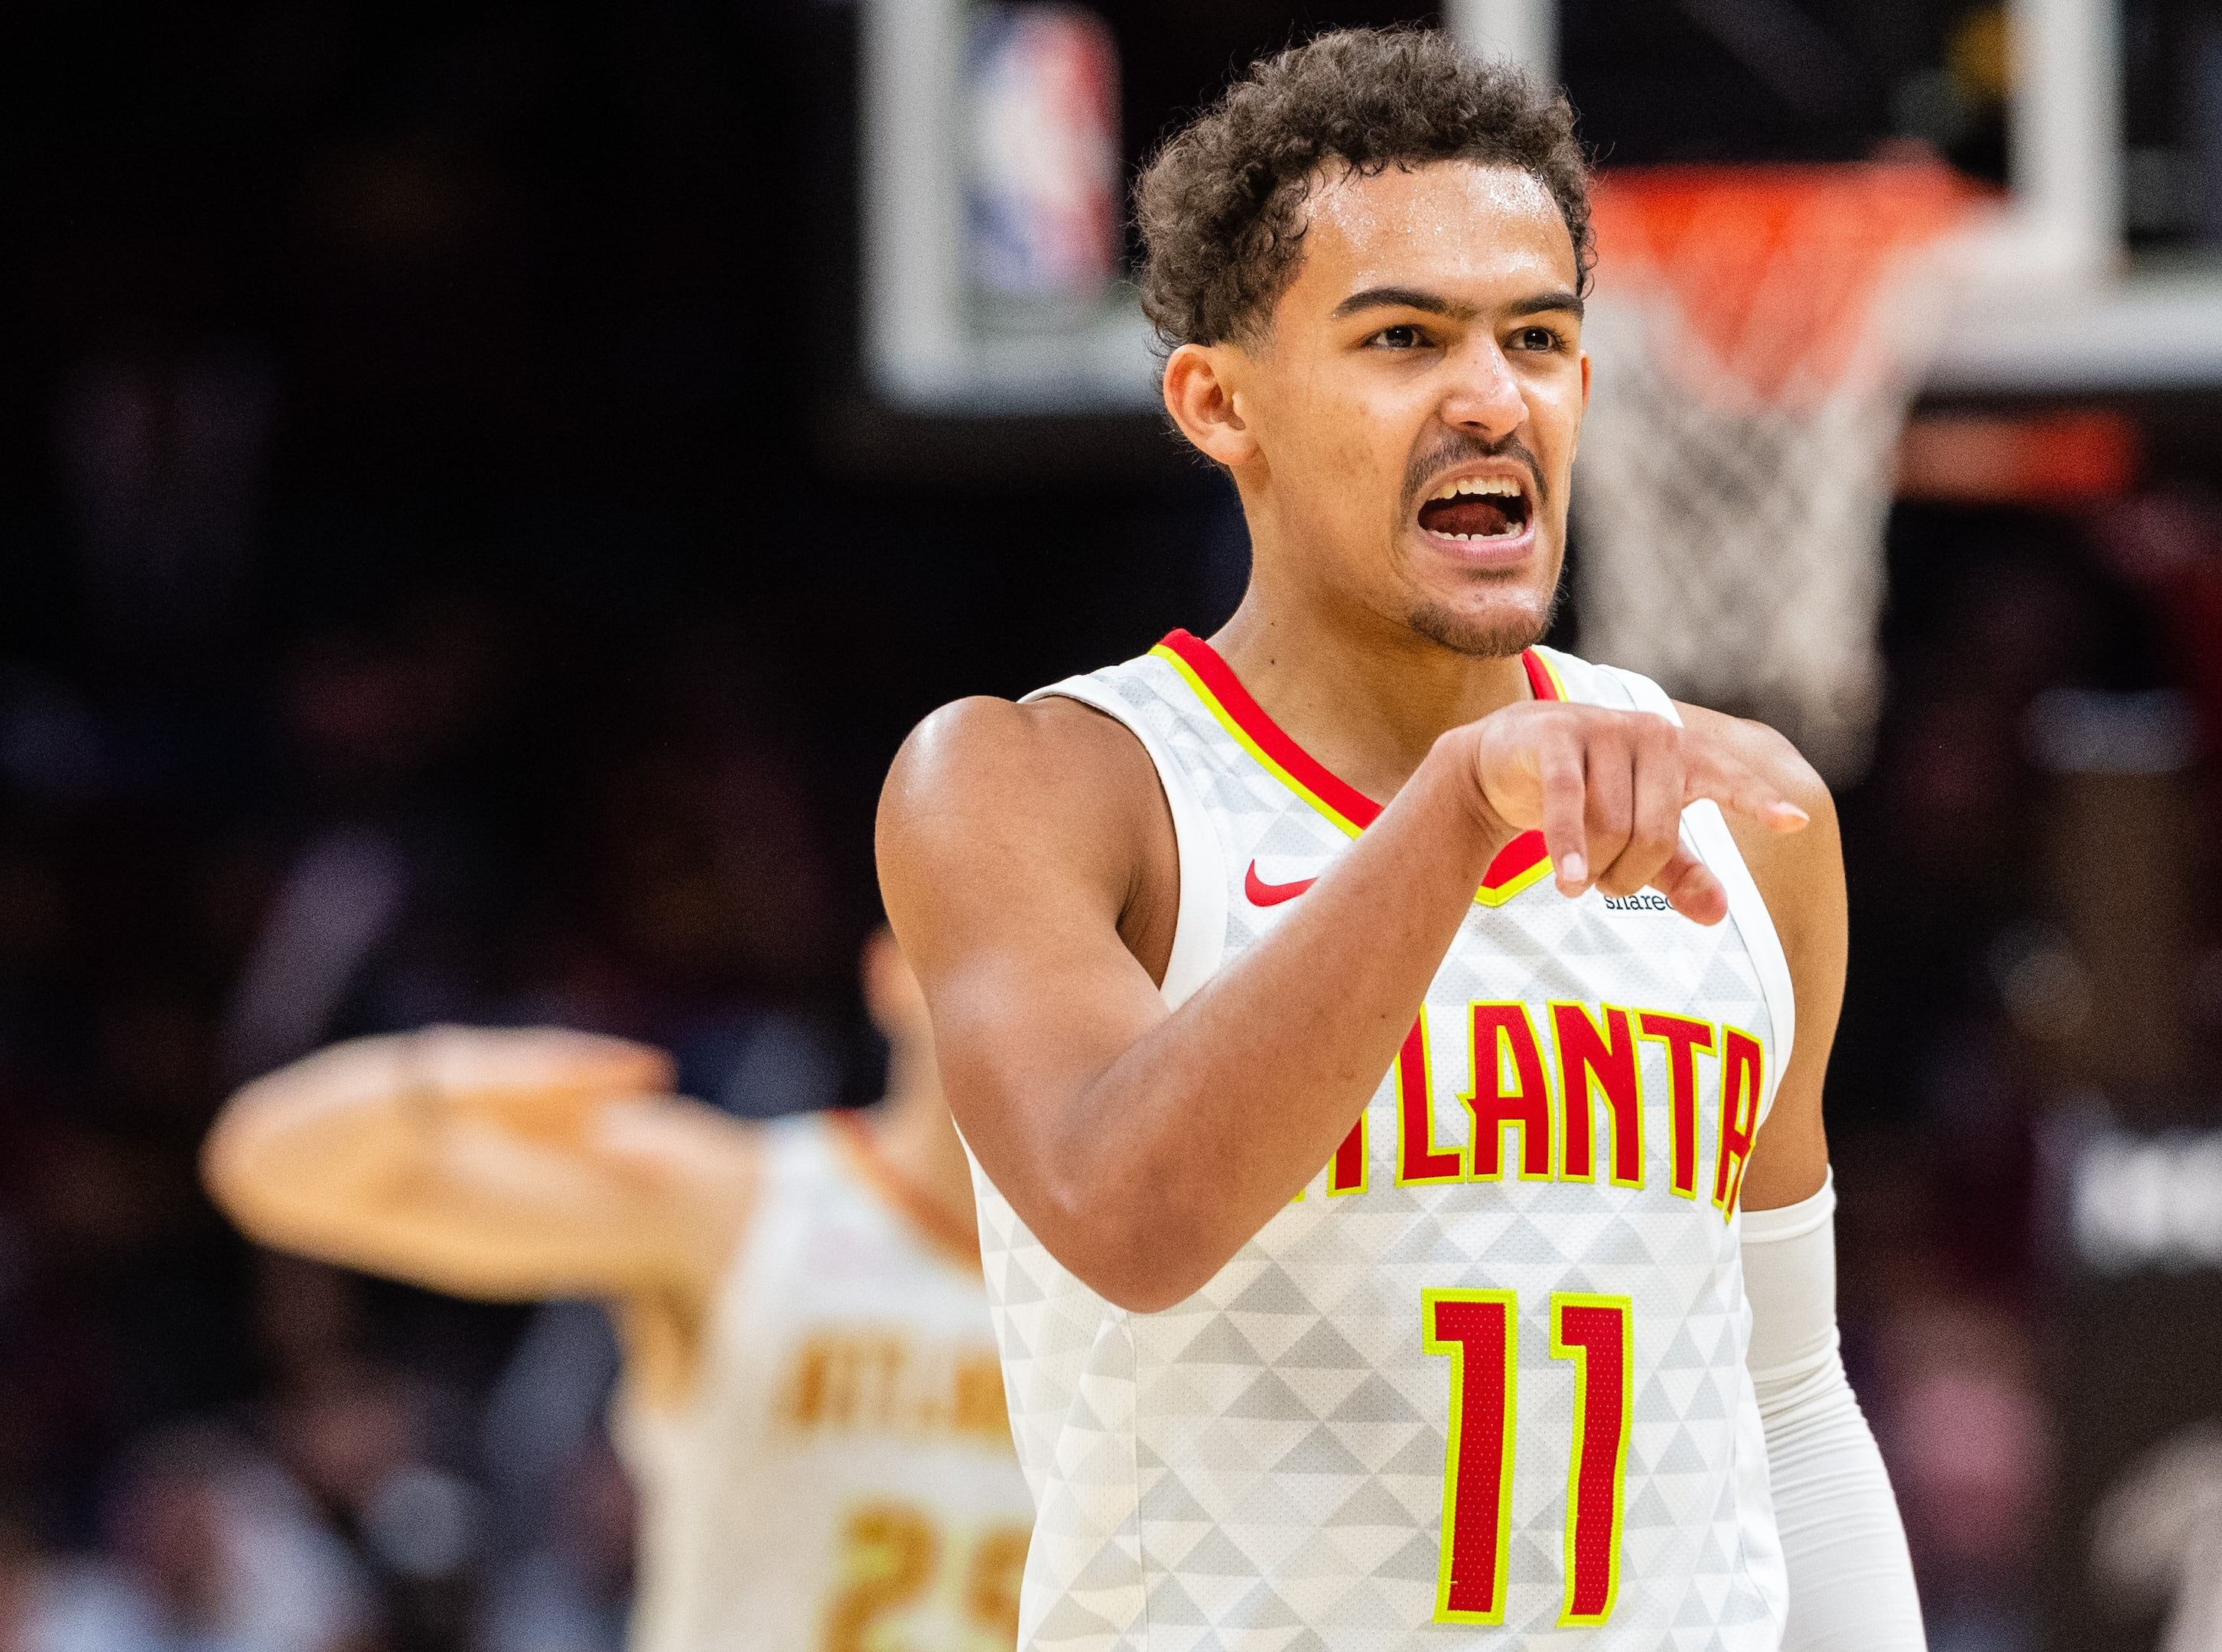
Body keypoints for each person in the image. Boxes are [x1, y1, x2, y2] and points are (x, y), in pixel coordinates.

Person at [876, 27, 1922, 1650]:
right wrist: (1453, 811)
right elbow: (1128, 1219)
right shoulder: (1048, 785)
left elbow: (1788, 1400)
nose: (1492, 398)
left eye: (1539, 338)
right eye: (1404, 338)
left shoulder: (1744, 818)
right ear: (1221, 403)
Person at [200, 934, 1033, 1652]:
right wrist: (446, 1071)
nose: (1027, 992)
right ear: (892, 969)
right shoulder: (742, 1201)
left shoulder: (1109, 1288)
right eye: (996, 935)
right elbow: (266, 1170)